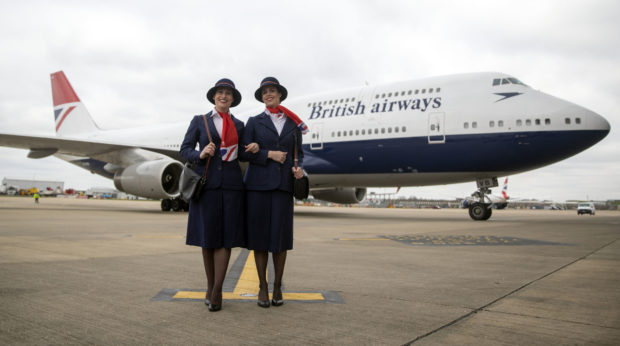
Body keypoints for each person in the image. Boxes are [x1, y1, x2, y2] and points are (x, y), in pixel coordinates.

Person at [179, 78, 259, 312]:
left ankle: (216, 291)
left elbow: (243, 156)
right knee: (209, 239)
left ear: (233, 99)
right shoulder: (200, 121)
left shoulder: (240, 125)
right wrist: (200, 153)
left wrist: (253, 149)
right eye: (220, 92)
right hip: (207, 187)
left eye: (228, 94)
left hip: (232, 187)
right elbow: (185, 149)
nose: (224, 96)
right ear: (214, 97)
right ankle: (209, 285)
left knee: (225, 239)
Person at [242, 77, 307, 308]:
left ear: (280, 94)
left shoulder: (293, 124)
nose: (268, 94)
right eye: (265, 92)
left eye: (272, 91)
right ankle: (262, 287)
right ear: (261, 97)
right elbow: (244, 153)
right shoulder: (254, 122)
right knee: (260, 240)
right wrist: (268, 154)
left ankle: (278, 285)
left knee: (280, 240)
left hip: (282, 186)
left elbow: (299, 153)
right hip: (257, 186)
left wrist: (299, 169)